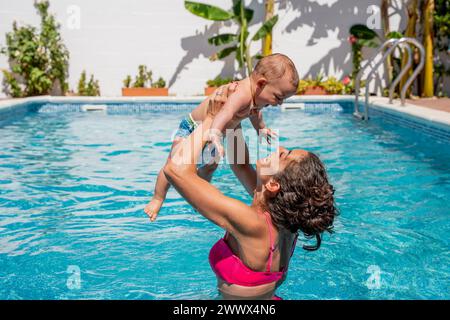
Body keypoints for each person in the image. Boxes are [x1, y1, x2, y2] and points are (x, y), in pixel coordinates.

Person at [162, 92, 338, 300]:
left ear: (273, 184)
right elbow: (240, 164)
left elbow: (175, 170)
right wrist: (232, 115)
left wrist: (210, 118)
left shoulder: (250, 222)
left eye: (284, 155)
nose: (279, 148)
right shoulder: (286, 218)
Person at [145, 53, 299, 222]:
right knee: (172, 164)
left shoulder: (257, 97)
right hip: (194, 128)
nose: (280, 103)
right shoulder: (241, 93)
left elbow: (255, 113)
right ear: (261, 83)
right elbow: (225, 112)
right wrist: (215, 133)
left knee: (210, 166)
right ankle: (158, 198)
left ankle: (197, 194)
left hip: (220, 131)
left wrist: (261, 129)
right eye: (278, 97)